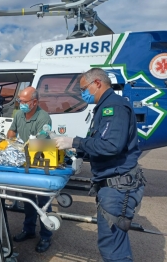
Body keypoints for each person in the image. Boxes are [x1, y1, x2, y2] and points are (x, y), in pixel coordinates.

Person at [55, 68, 145, 262]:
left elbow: (111, 145)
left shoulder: (113, 107)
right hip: (113, 184)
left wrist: (75, 141)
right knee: (114, 243)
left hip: (117, 187)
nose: (82, 94)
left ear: (97, 83)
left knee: (112, 249)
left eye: (83, 89)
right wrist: (75, 151)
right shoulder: (105, 106)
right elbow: (100, 144)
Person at [7, 86, 53, 253]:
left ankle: (46, 236)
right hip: (24, 162)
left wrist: (22, 147)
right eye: (20, 100)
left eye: (25, 101)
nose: (21, 104)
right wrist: (10, 138)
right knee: (27, 199)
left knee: (43, 203)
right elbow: (11, 131)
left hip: (40, 163)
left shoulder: (44, 118)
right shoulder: (19, 114)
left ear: (35, 102)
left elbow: (38, 144)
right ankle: (29, 230)